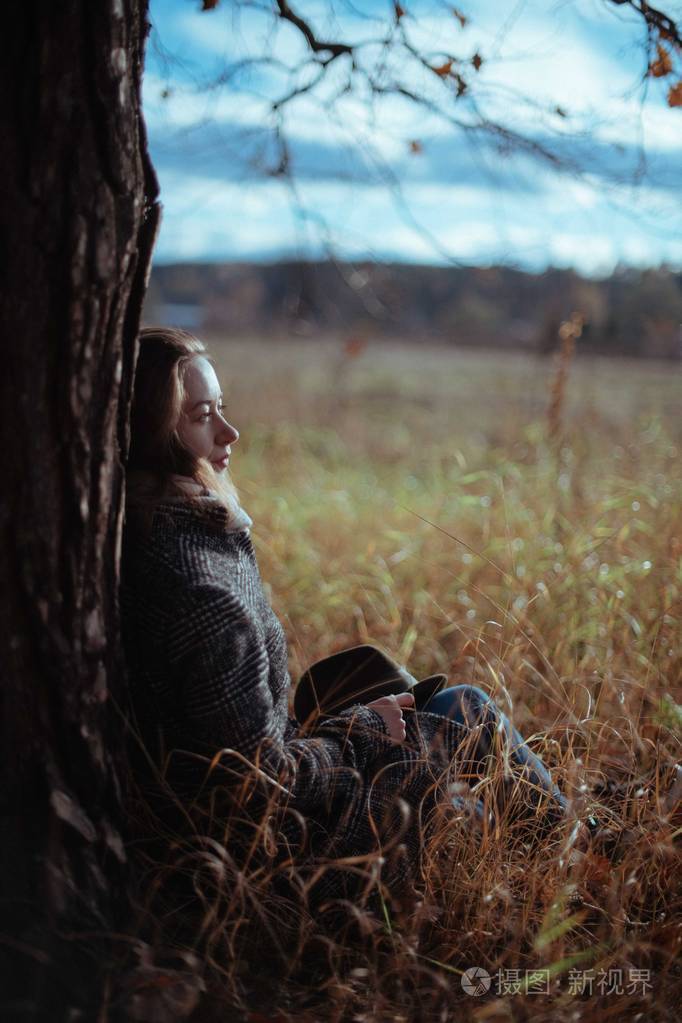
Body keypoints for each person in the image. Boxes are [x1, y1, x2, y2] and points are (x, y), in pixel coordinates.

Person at [120, 326, 579, 920]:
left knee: (370, 675)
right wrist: (358, 730)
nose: (229, 433)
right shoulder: (203, 591)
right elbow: (256, 789)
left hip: (247, 798)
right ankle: (580, 850)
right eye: (201, 416)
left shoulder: (151, 533)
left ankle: (488, 826)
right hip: (286, 847)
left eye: (222, 409)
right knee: (463, 708)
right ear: (154, 436)